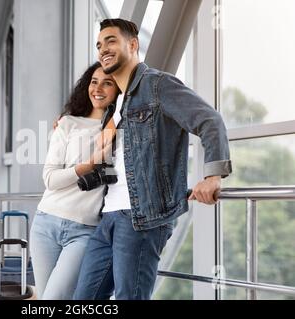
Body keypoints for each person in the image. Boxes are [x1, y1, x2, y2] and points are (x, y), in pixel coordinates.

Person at [73, 19, 232, 300]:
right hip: (109, 215)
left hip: (142, 219)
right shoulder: (118, 102)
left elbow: (210, 120)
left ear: (132, 45)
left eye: (111, 41)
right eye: (99, 44)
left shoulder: (157, 85)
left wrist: (213, 175)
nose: (103, 49)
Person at [30, 62, 120, 300]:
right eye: (94, 81)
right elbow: (50, 179)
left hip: (84, 231)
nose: (98, 88)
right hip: (45, 225)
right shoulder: (68, 123)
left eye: (107, 83)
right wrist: (87, 166)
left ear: (118, 89)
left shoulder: (122, 128)